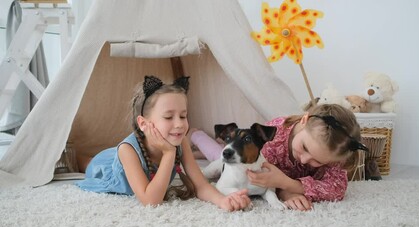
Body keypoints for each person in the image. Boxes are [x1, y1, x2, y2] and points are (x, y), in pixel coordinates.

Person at [76, 76, 251, 211]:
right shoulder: (127, 150)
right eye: (168, 117)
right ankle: (72, 155)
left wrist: (222, 200)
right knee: (89, 164)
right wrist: (169, 154)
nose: (180, 124)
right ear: (144, 124)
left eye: (183, 116)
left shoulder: (181, 142)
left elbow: (201, 185)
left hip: (121, 156)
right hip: (106, 166)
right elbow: (151, 201)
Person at [188, 104, 367, 211]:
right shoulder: (275, 135)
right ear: (304, 121)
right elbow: (259, 173)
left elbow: (337, 189)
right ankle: (196, 135)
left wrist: (289, 187)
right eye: (304, 147)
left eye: (317, 161)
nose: (305, 160)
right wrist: (283, 190)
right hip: (239, 161)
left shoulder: (334, 152)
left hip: (266, 172)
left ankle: (199, 147)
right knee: (217, 153)